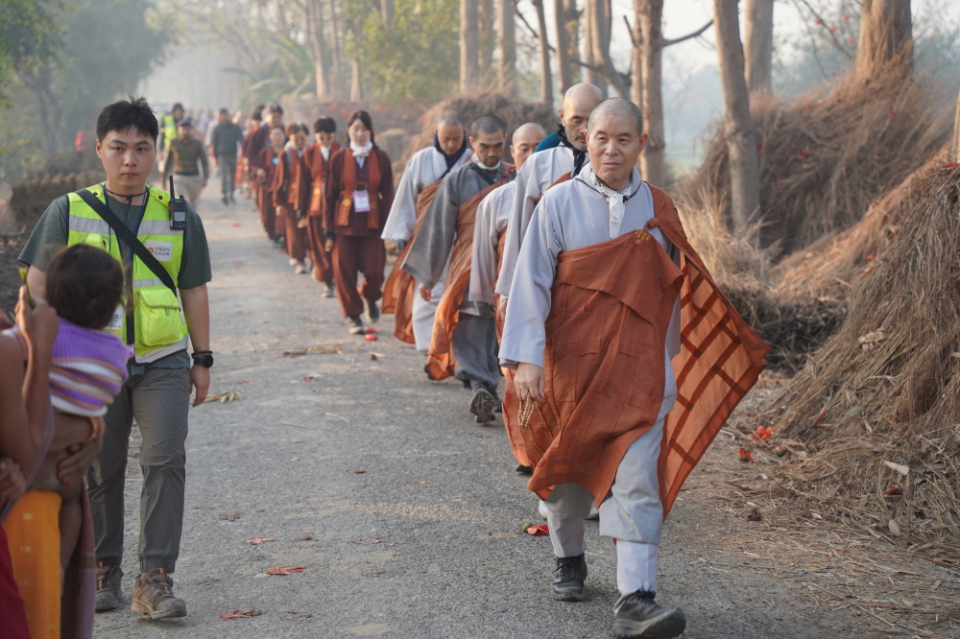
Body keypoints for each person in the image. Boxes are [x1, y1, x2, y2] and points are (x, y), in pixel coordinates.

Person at [500, 99, 768, 638]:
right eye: (600, 137)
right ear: (584, 139)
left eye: (623, 138)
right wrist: (526, 360)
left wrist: (675, 360)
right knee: (566, 480)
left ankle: (636, 598)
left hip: (641, 372)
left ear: (641, 143)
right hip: (570, 370)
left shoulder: (660, 210)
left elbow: (680, 286)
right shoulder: (557, 204)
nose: (609, 148)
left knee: (640, 480)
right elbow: (529, 283)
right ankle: (568, 558)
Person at [20, 96, 214, 619]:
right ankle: (103, 570)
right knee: (100, 466)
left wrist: (203, 358)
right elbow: (36, 288)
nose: (130, 159)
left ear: (156, 153)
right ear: (100, 150)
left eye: (141, 149)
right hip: (87, 362)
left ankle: (155, 578)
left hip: (164, 358)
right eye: (119, 148)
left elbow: (193, 289)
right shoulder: (67, 209)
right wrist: (37, 359)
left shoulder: (177, 214)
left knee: (164, 459)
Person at [7, 245, 128, 581]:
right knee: (74, 501)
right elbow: (115, 385)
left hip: (28, 460)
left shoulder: (40, 336)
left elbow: (19, 353)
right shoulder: (115, 352)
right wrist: (90, 427)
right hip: (64, 467)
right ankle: (62, 566)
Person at [401, 115, 514, 423]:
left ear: (506, 142)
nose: (492, 153)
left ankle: (487, 382)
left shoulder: (517, 176)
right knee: (468, 324)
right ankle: (481, 384)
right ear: (472, 144)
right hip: (467, 260)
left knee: (498, 326)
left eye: (499, 146)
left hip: (507, 262)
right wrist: (429, 274)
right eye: (485, 146)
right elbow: (438, 229)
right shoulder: (457, 180)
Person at [496, 83, 604, 309]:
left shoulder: (615, 165)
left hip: (602, 283)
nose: (585, 129)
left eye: (592, 119)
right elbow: (519, 227)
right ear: (562, 117)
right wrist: (509, 291)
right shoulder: (540, 163)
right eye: (577, 120)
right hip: (548, 281)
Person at [381, 112, 472, 350]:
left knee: (455, 291)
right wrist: (403, 234)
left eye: (456, 139)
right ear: (436, 136)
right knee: (426, 288)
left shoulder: (472, 161)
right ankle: (427, 347)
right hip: (426, 238)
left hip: (459, 238)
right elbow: (407, 199)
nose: (451, 145)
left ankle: (452, 347)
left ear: (464, 137)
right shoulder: (420, 160)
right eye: (446, 139)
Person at [323, 110, 394, 335]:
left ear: (371, 131)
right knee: (344, 272)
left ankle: (370, 296)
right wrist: (328, 228)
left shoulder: (380, 158)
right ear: (348, 131)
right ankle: (354, 317)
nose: (360, 133)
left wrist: (390, 225)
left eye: (364, 129)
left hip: (372, 222)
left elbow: (388, 193)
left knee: (375, 272)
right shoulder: (338, 158)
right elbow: (329, 195)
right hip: (343, 223)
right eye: (355, 129)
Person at [468, 122, 546, 315]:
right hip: (509, 300)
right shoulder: (496, 200)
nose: (531, 156)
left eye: (538, 148)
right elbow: (484, 254)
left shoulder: (564, 193)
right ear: (512, 151)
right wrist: (482, 295)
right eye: (524, 149)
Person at [303, 117, 340, 296]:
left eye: (329, 137)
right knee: (319, 243)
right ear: (316, 136)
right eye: (321, 137)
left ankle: (338, 275)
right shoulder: (309, 152)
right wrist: (301, 209)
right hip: (316, 203)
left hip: (338, 205)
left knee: (338, 243)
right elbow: (303, 181)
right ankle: (327, 279)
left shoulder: (341, 151)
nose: (325, 141)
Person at [274, 123, 311, 274]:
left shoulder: (311, 151)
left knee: (310, 229)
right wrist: (279, 203)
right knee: (294, 231)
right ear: (290, 137)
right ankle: (299, 260)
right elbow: (280, 180)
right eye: (296, 138)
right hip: (292, 198)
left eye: (302, 138)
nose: (299, 141)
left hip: (310, 197)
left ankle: (312, 257)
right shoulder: (286, 154)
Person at [162, 118, 210, 208]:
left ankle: (192, 221)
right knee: (180, 202)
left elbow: (204, 161)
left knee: (192, 204)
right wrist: (163, 179)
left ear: (191, 130)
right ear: (179, 130)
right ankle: (183, 221)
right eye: (183, 129)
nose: (185, 131)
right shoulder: (174, 143)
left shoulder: (197, 144)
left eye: (187, 129)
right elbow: (167, 162)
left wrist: (205, 177)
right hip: (179, 177)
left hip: (194, 177)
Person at [255, 126, 288, 246]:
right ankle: (274, 236)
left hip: (285, 187)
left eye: (280, 134)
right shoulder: (265, 152)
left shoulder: (288, 152)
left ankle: (283, 236)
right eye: (275, 134)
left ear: (284, 137)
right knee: (269, 213)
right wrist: (259, 171)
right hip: (269, 187)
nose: (278, 137)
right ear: (270, 137)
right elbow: (256, 166)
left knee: (284, 214)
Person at [209, 108, 245, 205]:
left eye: (226, 115)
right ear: (219, 117)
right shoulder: (217, 129)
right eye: (222, 116)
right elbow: (214, 144)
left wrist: (243, 153)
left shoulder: (234, 127)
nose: (224, 118)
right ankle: (224, 193)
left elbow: (240, 140)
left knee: (233, 175)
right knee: (224, 175)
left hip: (232, 154)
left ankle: (231, 193)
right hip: (222, 155)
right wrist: (215, 157)